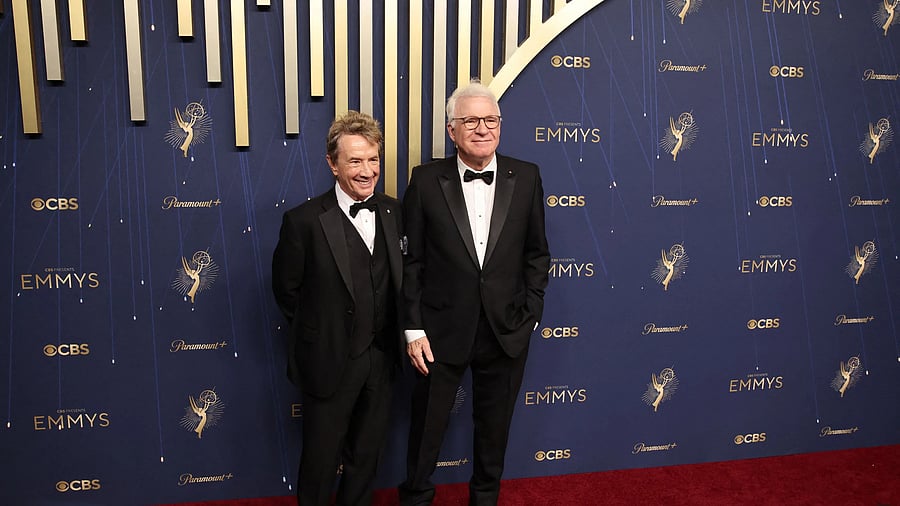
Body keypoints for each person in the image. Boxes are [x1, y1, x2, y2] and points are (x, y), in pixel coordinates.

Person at [399, 80, 550, 505]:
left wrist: (530, 313)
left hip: (506, 330)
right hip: (439, 332)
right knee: (426, 432)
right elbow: (411, 262)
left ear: (500, 125)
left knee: (493, 434)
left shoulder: (528, 176)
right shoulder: (426, 180)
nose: (482, 129)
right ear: (452, 130)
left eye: (490, 120)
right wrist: (413, 328)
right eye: (470, 121)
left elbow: (537, 254)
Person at [272, 110, 404, 506]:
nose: (367, 171)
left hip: (382, 358)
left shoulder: (395, 212)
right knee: (320, 459)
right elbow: (287, 291)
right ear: (332, 164)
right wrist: (323, 332)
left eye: (373, 159)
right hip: (329, 360)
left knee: (367, 456)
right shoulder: (303, 221)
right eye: (355, 160)